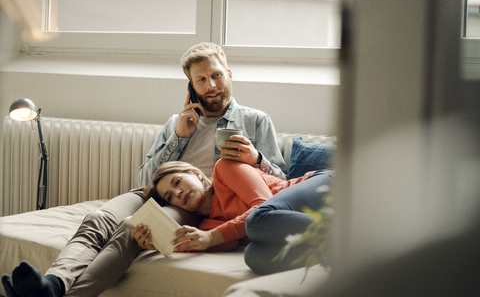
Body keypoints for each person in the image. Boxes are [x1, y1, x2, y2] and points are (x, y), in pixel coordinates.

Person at [2, 42, 287, 297]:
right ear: (191, 87)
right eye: (201, 80)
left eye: (216, 75)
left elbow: (280, 184)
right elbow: (144, 180)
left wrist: (255, 157)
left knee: (132, 228)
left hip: (195, 201)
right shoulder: (176, 122)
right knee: (98, 218)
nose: (211, 85)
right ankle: (54, 284)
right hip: (162, 188)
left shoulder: (256, 120)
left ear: (228, 74)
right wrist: (179, 136)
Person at [133, 159, 332, 274]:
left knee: (256, 221)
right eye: (169, 196)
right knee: (254, 256)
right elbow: (225, 242)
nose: (177, 193)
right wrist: (158, 243)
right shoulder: (206, 227)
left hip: (322, 188)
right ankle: (332, 252)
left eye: (177, 182)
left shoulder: (224, 168)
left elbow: (263, 203)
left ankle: (340, 235)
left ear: (196, 174)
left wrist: (210, 237)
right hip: (305, 224)